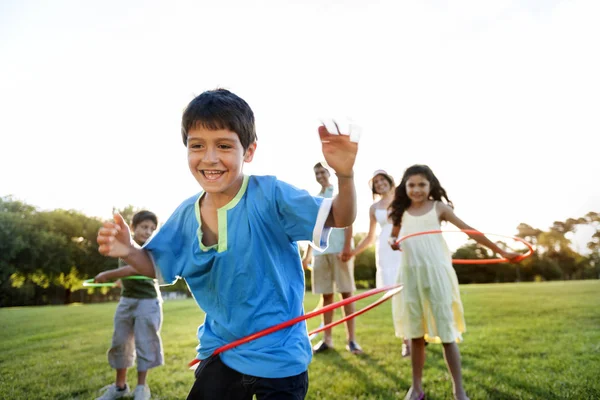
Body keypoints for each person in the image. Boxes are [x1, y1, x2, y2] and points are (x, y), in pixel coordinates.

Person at [96, 88, 359, 400]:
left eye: (223, 145)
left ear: (248, 151)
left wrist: (345, 176)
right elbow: (156, 264)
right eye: (197, 146)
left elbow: (340, 216)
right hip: (223, 350)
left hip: (279, 357)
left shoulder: (270, 195)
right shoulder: (185, 215)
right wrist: (129, 251)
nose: (209, 158)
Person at [388, 164, 520, 400]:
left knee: (447, 333)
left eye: (421, 184)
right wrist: (393, 242)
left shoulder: (439, 208)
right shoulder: (401, 211)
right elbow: (394, 236)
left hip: (437, 274)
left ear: (431, 186)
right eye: (411, 185)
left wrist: (501, 251)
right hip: (410, 275)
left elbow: (470, 231)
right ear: (404, 187)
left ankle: (459, 391)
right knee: (415, 335)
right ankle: (416, 388)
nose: (416, 189)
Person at [94, 210, 163, 400]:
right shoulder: (124, 244)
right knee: (120, 342)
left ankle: (141, 387)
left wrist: (109, 275)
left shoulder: (152, 247)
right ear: (132, 228)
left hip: (147, 301)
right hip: (127, 300)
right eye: (144, 227)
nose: (148, 232)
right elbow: (127, 273)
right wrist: (121, 281)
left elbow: (135, 268)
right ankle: (120, 386)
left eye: (152, 228)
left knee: (145, 342)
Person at [302, 162, 363, 355]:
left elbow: (349, 220)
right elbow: (314, 231)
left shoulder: (339, 193)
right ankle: (327, 339)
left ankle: (352, 340)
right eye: (317, 172)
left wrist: (347, 246)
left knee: (346, 294)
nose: (320, 175)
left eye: (322, 171)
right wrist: (307, 256)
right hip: (321, 254)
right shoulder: (315, 199)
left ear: (328, 173)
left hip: (340, 251)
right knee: (326, 296)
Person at [349, 169, 411, 357]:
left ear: (390, 181)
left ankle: (417, 335)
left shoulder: (403, 199)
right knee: (398, 296)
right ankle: (406, 341)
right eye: (376, 182)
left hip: (405, 244)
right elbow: (369, 237)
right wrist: (353, 253)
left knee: (412, 292)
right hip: (385, 250)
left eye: (382, 179)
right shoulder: (374, 208)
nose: (380, 183)